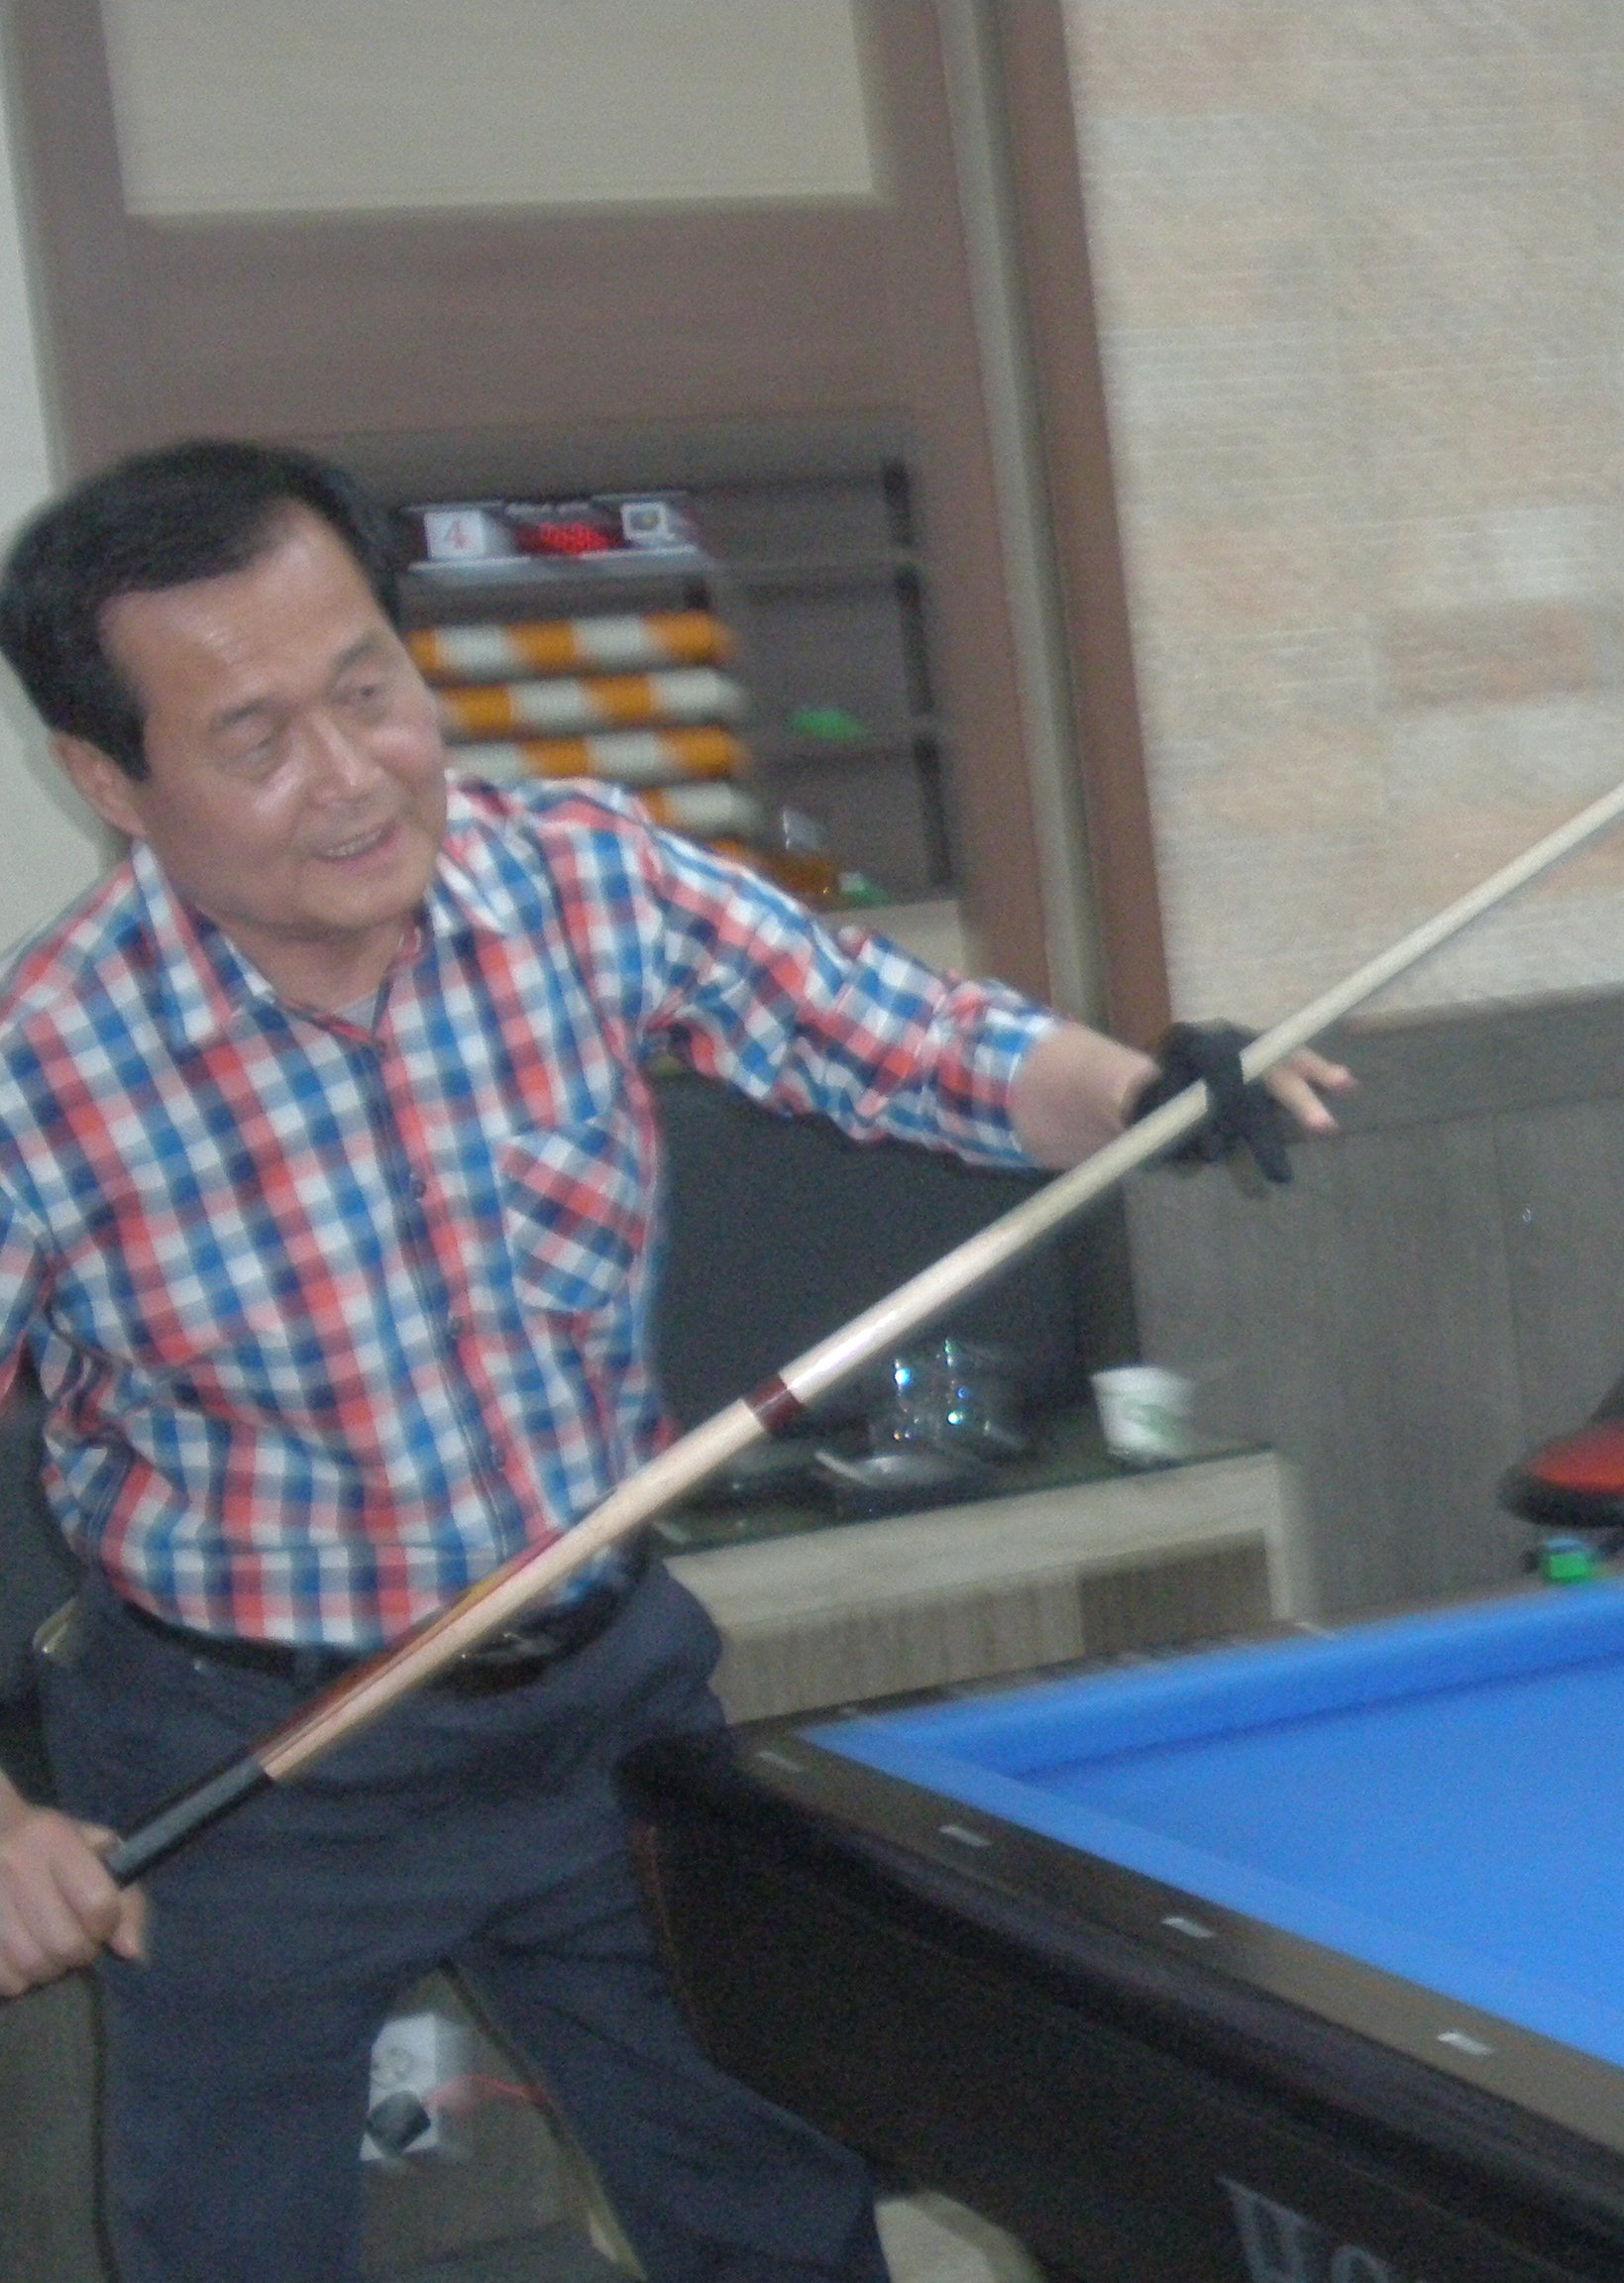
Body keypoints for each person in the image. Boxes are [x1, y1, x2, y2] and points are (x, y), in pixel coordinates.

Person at [0, 439, 1347, 2280]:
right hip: (249, 1756)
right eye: (255, 739)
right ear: (109, 780)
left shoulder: (580, 881)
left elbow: (896, 1036)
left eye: (369, 689)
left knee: (775, 2204)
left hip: (596, 1697)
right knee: (229, 2250)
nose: (353, 775)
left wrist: (1141, 1093)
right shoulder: (44, 1068)